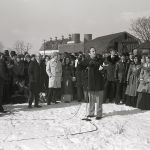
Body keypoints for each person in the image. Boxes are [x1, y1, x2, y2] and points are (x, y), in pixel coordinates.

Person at [87, 47, 104, 120]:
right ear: (89, 53)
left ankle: (99, 114)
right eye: (92, 51)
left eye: (95, 51)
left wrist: (101, 70)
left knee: (99, 100)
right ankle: (91, 113)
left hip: (98, 83)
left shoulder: (100, 60)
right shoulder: (87, 61)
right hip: (90, 83)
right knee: (91, 100)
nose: (94, 52)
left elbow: (104, 71)